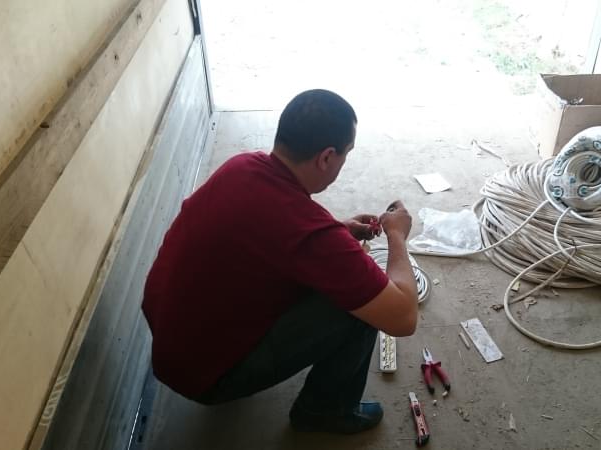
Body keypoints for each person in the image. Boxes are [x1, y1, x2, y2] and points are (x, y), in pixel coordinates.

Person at [142, 89, 419, 434]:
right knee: (361, 306)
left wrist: (337, 231)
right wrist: (396, 235)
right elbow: (403, 317)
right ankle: (324, 412)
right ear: (326, 157)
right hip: (205, 377)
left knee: (336, 275)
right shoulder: (310, 234)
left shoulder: (241, 166)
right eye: (345, 154)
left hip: (171, 343)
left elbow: (273, 232)